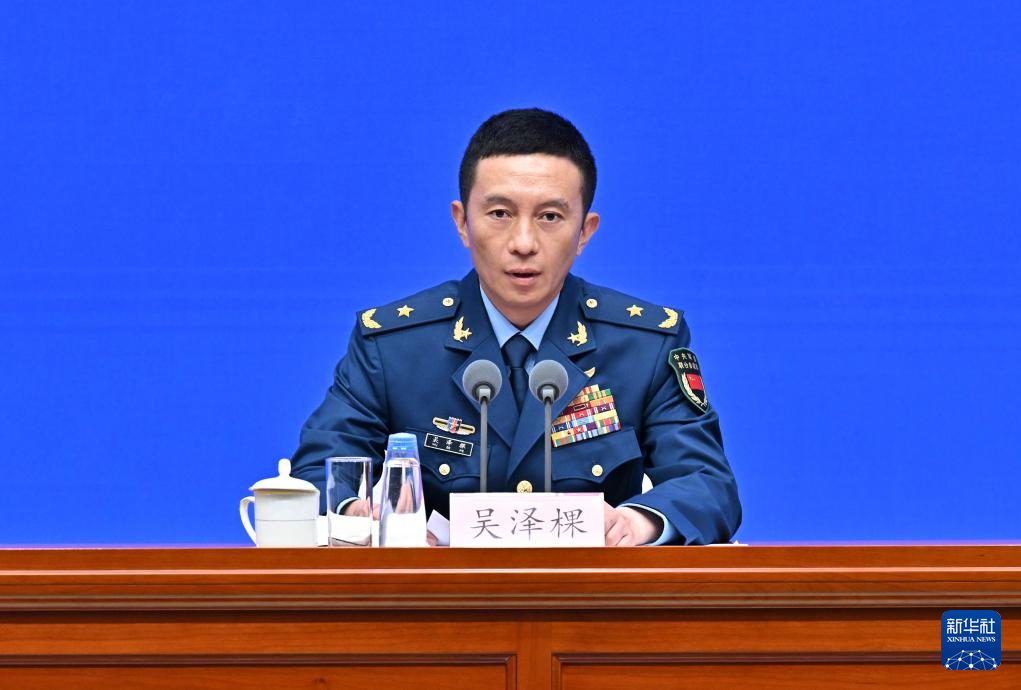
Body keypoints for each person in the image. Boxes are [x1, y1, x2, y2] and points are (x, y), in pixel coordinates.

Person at [291, 108, 741, 545]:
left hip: (591, 592)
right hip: (438, 593)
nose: (523, 243)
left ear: (585, 232)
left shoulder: (644, 345)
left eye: (550, 217)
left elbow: (707, 483)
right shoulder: (393, 346)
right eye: (500, 214)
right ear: (462, 223)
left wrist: (634, 523)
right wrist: (359, 513)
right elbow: (320, 469)